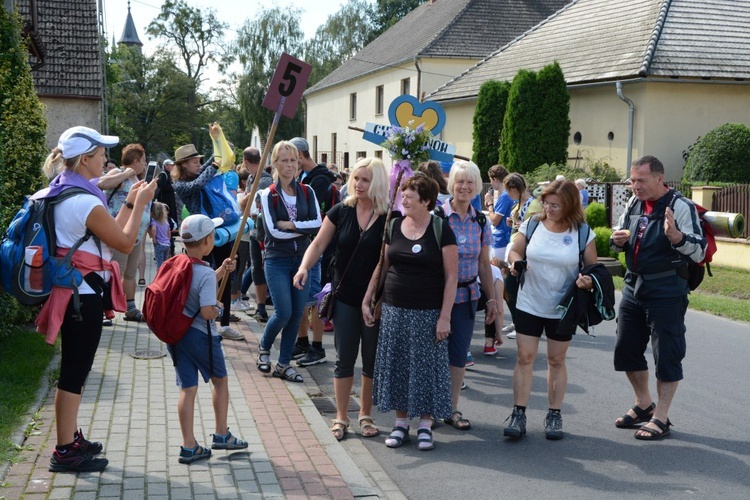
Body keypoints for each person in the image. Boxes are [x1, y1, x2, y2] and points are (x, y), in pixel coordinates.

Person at [36, 126, 156, 472]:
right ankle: (64, 450)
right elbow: (124, 242)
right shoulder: (85, 200)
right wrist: (141, 204)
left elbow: (107, 234)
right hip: (81, 296)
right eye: (101, 153)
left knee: (75, 370)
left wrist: (131, 201)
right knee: (75, 372)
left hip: (72, 291)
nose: (106, 159)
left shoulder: (63, 192)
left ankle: (70, 438)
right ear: (85, 159)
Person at [293, 157, 392, 441]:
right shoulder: (341, 210)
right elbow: (319, 243)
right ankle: (341, 416)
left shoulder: (389, 217)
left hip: (376, 301)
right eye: (357, 179)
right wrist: (303, 267)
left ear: (378, 183)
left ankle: (366, 414)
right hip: (345, 297)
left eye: (366, 180)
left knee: (372, 361)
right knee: (344, 359)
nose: (359, 184)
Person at [611, 155, 705, 440]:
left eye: (641, 180)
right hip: (633, 287)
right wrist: (618, 241)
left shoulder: (680, 206)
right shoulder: (633, 203)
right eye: (632, 179)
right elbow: (620, 237)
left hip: (666, 291)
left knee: (667, 354)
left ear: (659, 178)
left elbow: (699, 252)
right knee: (626, 349)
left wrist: (677, 238)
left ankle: (661, 417)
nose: (634, 185)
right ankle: (643, 404)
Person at [363, 174, 458, 451]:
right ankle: (401, 423)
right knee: (399, 365)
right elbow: (382, 266)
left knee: (426, 369)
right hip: (394, 310)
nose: (403, 199)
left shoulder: (441, 228)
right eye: (402, 194)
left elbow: (452, 276)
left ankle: (426, 425)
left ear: (426, 201)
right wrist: (368, 298)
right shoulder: (393, 225)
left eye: (409, 195)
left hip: (428, 311)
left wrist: (445, 316)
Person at [503, 179, 597, 440]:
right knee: (525, 357)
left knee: (556, 360)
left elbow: (592, 268)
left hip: (562, 306)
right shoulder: (532, 224)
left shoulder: (581, 232)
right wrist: (516, 262)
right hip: (529, 301)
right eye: (547, 203)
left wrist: (587, 281)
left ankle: (554, 415)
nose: (550, 208)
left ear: (569, 205)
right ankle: (518, 414)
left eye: (556, 205)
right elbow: (515, 250)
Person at [169, 214, 249, 464]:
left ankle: (189, 445)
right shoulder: (202, 273)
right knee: (221, 380)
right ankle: (222, 433)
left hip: (177, 334)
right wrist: (219, 309)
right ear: (207, 242)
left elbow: (196, 283)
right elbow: (206, 311)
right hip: (201, 335)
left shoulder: (178, 263)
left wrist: (221, 271)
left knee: (188, 388)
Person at [255, 141, 322, 383]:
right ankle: (264, 347)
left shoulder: (307, 191)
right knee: (283, 312)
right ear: (275, 163)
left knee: (297, 314)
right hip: (277, 260)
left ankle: (283, 364)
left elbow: (319, 224)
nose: (290, 165)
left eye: (293, 160)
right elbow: (273, 232)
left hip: (303, 260)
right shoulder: (267, 194)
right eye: (285, 160)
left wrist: (292, 225)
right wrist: (304, 230)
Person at [439, 160, 498, 431]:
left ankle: (451, 409)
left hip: (468, 295)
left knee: (458, 354)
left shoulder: (481, 220)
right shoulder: (437, 217)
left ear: (477, 187)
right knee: (432, 351)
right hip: (437, 296)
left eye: (470, 182)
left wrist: (492, 300)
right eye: (459, 181)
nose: (464, 186)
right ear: (451, 184)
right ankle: (430, 408)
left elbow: (484, 264)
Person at [172, 134, 244, 341]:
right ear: (184, 165)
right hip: (198, 239)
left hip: (216, 232)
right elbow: (198, 184)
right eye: (195, 162)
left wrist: (219, 141)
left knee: (227, 272)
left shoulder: (196, 173)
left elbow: (209, 167)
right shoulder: (180, 184)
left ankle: (225, 323)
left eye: (199, 161)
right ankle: (203, 319)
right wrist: (214, 163)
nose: (199, 164)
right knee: (204, 278)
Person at [289, 137, 336, 367]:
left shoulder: (319, 179)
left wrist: (289, 220)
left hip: (317, 245)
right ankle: (302, 342)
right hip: (301, 245)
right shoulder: (303, 177)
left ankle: (317, 347)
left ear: (301, 155)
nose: (288, 164)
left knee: (315, 297)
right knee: (299, 294)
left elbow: (306, 213)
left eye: (291, 158)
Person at [98, 144, 153, 321]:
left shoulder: (139, 179)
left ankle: (130, 308)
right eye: (143, 161)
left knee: (129, 274)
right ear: (135, 161)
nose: (145, 164)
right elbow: (102, 183)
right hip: (118, 232)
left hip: (135, 235)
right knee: (114, 273)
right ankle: (103, 309)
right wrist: (127, 173)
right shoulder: (119, 173)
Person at [502, 173, 543, 339]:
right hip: (514, 248)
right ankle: (516, 321)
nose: (507, 194)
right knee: (510, 287)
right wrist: (512, 223)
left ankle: (520, 325)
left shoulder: (533, 204)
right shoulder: (519, 203)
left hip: (525, 251)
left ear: (513, 189)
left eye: (508, 190)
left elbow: (535, 226)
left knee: (513, 288)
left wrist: (519, 225)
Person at [240, 146, 273, 323]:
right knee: (255, 269)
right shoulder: (252, 178)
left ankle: (269, 306)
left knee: (264, 268)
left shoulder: (264, 180)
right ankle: (261, 308)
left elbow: (256, 208)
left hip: (265, 233)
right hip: (254, 231)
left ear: (245, 161)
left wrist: (244, 203)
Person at [485, 164, 514, 260]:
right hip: (504, 239)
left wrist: (490, 204)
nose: (491, 183)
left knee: (498, 271)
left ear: (496, 179)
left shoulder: (505, 196)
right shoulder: (508, 194)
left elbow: (494, 221)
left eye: (490, 180)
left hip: (501, 241)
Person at [156, 158, 179, 256]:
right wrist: (173, 186)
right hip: (165, 202)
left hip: (170, 200)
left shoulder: (169, 175)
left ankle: (171, 241)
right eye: (170, 165)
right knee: (167, 220)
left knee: (171, 219)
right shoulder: (163, 174)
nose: (172, 166)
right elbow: (163, 186)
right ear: (166, 166)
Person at [148, 201, 172, 270]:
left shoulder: (154, 221)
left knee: (159, 263)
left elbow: (153, 230)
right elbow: (169, 233)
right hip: (167, 244)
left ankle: (159, 276)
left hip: (159, 244)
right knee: (165, 262)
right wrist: (169, 240)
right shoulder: (166, 222)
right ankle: (165, 276)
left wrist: (154, 239)